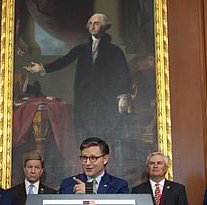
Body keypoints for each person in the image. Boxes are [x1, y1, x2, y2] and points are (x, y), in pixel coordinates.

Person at [25, 13, 131, 142]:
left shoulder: (115, 51)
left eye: (96, 23)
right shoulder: (82, 48)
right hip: (84, 99)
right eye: (90, 23)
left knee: (103, 135)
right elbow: (64, 61)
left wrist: (123, 96)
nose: (92, 26)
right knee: (84, 134)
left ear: (104, 27)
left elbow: (123, 73)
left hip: (105, 100)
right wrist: (42, 68)